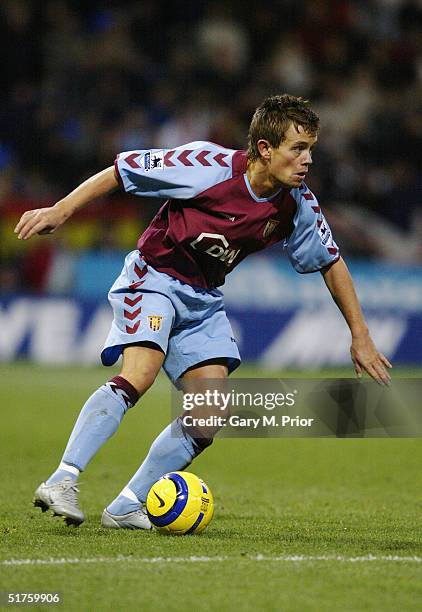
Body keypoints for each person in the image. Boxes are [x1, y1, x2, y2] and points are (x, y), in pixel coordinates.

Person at [15, 94, 392, 529]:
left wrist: (359, 334)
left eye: (311, 149)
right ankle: (64, 478)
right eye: (298, 148)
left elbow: (331, 261)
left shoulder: (297, 205)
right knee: (140, 372)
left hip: (203, 298)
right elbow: (122, 172)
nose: (307, 160)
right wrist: (60, 210)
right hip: (153, 276)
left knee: (208, 412)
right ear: (265, 149)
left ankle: (126, 506)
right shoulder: (205, 165)